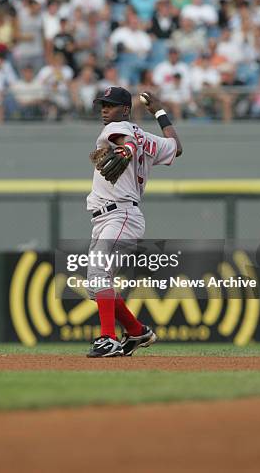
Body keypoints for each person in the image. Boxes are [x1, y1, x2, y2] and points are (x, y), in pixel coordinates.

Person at [85, 86, 182, 357]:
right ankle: (137, 331)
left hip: (120, 214)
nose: (104, 109)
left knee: (98, 275)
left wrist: (127, 150)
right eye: (102, 104)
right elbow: (177, 147)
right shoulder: (148, 137)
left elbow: (124, 139)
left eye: (110, 105)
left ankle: (107, 338)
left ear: (125, 109)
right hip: (115, 216)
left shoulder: (115, 128)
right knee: (96, 285)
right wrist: (160, 112)